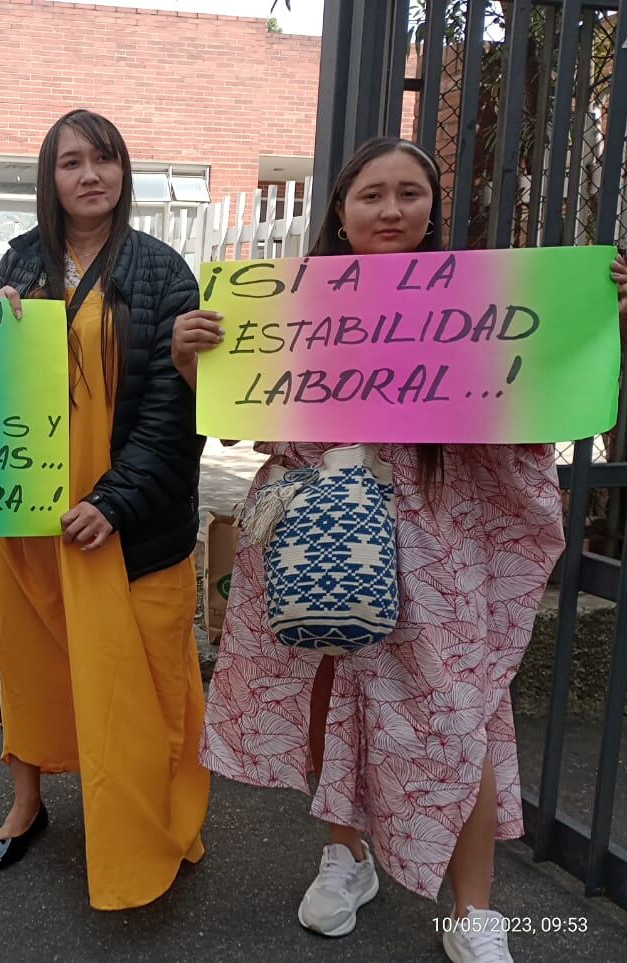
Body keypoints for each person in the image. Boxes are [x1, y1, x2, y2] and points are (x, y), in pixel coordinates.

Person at [172, 136, 627, 963]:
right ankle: (347, 853)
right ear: (340, 213)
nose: (390, 209)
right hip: (324, 534)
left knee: (461, 716)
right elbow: (252, 416)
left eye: (408, 193)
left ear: (431, 208)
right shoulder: (291, 302)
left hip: (439, 539)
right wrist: (192, 361)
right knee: (325, 692)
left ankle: (475, 910)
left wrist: (597, 319)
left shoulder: (478, 300)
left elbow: (542, 399)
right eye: (371, 195)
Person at [0, 108, 209, 911]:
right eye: (72, 161)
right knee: (35, 665)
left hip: (129, 525)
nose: (90, 175)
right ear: (49, 178)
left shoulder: (161, 271)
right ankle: (26, 799)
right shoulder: (20, 262)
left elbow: (172, 414)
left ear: (124, 171)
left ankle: (161, 824)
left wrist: (112, 503)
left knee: (146, 684)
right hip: (32, 521)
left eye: (104, 159)